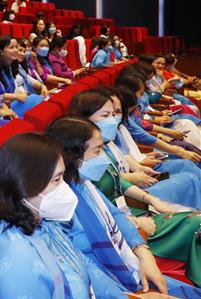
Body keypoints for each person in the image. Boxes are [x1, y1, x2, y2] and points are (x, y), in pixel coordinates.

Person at [46, 116, 201, 294]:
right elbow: (89, 270)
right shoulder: (64, 202)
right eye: (97, 150)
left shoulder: (83, 182)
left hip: (130, 253)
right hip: (119, 282)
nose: (103, 156)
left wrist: (143, 251)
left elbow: (114, 213)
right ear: (73, 156)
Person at [0, 133, 124, 299]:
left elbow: (83, 265)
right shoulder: (19, 259)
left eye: (62, 177)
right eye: (56, 180)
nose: (65, 188)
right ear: (24, 186)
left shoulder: (43, 222)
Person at [67, 89, 201, 209]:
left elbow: (124, 156)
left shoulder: (106, 137)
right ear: (84, 117)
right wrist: (134, 176)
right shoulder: (86, 149)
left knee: (187, 167)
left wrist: (139, 166)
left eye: (116, 113)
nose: (113, 119)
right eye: (106, 115)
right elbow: (104, 182)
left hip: (135, 183)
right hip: (126, 198)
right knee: (189, 178)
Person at [0, 35, 43, 118]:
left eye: (16, 47)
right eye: (11, 47)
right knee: (36, 99)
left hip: (13, 103)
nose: (16, 51)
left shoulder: (11, 66)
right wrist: (16, 96)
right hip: (3, 109)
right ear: (1, 51)